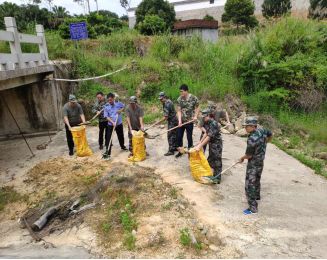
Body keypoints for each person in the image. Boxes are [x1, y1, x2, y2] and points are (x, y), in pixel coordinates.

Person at [238, 117, 273, 215]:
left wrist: (241, 158)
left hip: (253, 163)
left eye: (247, 126)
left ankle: (252, 208)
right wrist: (266, 142)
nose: (245, 128)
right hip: (260, 161)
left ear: (253, 126)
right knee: (257, 179)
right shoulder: (262, 130)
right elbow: (270, 134)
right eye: (245, 126)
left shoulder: (252, 139)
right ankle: (257, 196)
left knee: (250, 184)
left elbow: (249, 155)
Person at [195, 109, 223, 184]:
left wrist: (200, 146)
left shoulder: (213, 123)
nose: (203, 118)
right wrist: (200, 142)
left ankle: (217, 179)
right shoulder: (207, 122)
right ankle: (211, 174)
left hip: (216, 144)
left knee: (217, 160)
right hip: (212, 143)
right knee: (210, 158)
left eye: (204, 117)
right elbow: (206, 134)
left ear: (208, 115)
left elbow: (209, 137)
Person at [175, 84, 200, 158]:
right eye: (180, 92)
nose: (181, 93)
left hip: (189, 121)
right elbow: (179, 111)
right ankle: (181, 151)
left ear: (186, 91)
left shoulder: (193, 98)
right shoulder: (179, 99)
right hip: (181, 121)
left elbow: (197, 106)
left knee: (189, 137)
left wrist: (195, 116)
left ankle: (190, 152)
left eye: (182, 91)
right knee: (179, 137)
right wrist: (179, 121)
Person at [102, 93, 127, 159]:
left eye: (111, 100)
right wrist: (112, 122)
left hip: (119, 123)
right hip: (111, 124)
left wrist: (120, 110)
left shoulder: (118, 103)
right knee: (109, 138)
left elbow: (124, 107)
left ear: (113, 98)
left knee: (121, 136)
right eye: (108, 100)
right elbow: (106, 117)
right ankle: (108, 153)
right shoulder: (106, 106)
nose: (110, 101)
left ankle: (122, 146)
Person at [158, 92, 178, 156]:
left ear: (164, 97)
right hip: (175, 119)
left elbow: (165, 117)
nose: (160, 100)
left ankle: (171, 150)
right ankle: (175, 147)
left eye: (161, 99)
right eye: (160, 99)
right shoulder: (169, 101)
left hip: (172, 121)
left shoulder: (167, 104)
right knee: (174, 134)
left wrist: (158, 122)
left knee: (170, 135)